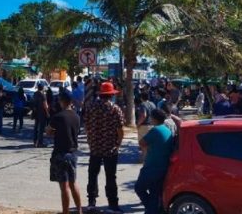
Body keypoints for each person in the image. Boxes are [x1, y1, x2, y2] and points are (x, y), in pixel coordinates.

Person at [83, 82, 125, 212]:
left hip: (95, 147)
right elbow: (120, 130)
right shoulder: (115, 109)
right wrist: (118, 144)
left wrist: (91, 140)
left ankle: (91, 201)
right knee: (111, 176)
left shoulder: (90, 107)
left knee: (92, 174)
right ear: (111, 95)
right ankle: (113, 204)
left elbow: (86, 126)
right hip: (110, 148)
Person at [46, 90, 82, 214]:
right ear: (71, 101)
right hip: (72, 154)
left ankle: (65, 212)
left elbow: (48, 131)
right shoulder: (77, 117)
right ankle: (79, 210)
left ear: (61, 101)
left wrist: (55, 132)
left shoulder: (58, 117)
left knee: (64, 186)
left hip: (60, 153)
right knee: (73, 184)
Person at [135, 109, 174, 214]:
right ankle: (155, 210)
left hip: (152, 166)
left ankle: (152, 210)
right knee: (155, 191)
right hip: (163, 166)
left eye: (151, 117)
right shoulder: (167, 129)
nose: (150, 119)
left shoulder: (155, 130)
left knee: (139, 188)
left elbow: (142, 142)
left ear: (155, 118)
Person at [136, 91, 156, 162]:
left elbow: (143, 115)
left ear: (141, 98)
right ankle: (150, 158)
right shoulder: (153, 104)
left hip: (144, 126)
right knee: (150, 143)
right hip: (152, 125)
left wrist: (138, 124)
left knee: (142, 143)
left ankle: (143, 158)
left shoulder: (142, 104)